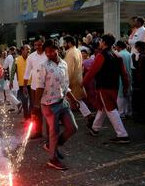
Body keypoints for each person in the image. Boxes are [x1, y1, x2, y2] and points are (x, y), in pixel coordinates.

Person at [34, 39, 79, 171]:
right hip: (49, 105)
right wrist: (36, 106)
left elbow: (66, 85)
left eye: (51, 51)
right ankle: (53, 159)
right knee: (54, 132)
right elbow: (39, 87)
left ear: (57, 49)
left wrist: (73, 99)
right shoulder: (43, 66)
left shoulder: (64, 64)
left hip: (62, 102)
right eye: (46, 52)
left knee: (73, 128)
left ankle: (51, 145)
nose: (49, 54)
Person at [84, 34, 130, 144]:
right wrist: (126, 86)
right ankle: (95, 128)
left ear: (103, 42)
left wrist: (82, 83)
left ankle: (122, 134)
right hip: (114, 87)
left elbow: (92, 72)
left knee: (110, 110)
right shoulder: (117, 56)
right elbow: (124, 74)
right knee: (104, 108)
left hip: (103, 87)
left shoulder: (101, 56)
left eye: (100, 41)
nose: (99, 42)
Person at [63, 36, 94, 126]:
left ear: (69, 43)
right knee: (76, 100)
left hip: (71, 81)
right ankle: (88, 116)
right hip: (77, 79)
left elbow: (69, 70)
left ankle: (88, 116)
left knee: (74, 100)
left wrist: (66, 83)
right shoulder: (77, 51)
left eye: (65, 43)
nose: (63, 45)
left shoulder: (71, 53)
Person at [23, 37, 48, 139]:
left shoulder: (49, 54)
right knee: (36, 109)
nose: (37, 47)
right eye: (36, 45)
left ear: (43, 44)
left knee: (48, 110)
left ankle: (51, 133)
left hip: (48, 87)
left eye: (40, 44)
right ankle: (38, 131)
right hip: (34, 87)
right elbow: (27, 72)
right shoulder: (31, 57)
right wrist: (25, 86)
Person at [131, 41, 145, 123]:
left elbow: (139, 69)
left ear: (139, 47)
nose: (136, 49)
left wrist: (133, 59)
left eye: (136, 47)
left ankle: (142, 117)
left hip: (142, 83)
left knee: (141, 101)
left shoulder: (142, 57)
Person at [10, 45, 32, 121]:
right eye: (27, 49)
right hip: (22, 85)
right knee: (24, 102)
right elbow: (12, 71)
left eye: (29, 50)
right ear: (22, 50)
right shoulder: (16, 60)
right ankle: (26, 117)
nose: (29, 51)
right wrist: (11, 81)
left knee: (32, 102)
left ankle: (30, 116)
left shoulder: (31, 59)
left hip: (32, 84)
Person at [115, 41, 133, 119]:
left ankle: (121, 113)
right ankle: (129, 112)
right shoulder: (129, 54)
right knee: (128, 95)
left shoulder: (118, 55)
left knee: (121, 95)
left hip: (120, 77)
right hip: (129, 76)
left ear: (119, 46)